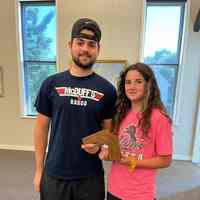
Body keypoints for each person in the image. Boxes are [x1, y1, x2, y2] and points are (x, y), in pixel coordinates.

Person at [33, 18, 117, 200]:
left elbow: (109, 130)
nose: (85, 49)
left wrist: (100, 146)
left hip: (90, 177)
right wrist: (39, 170)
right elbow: (41, 128)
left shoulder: (108, 90)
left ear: (98, 49)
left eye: (91, 44)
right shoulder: (51, 84)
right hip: (54, 173)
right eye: (80, 43)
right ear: (70, 45)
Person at [100, 63, 173, 200]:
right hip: (114, 189)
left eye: (138, 82)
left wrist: (133, 162)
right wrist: (106, 150)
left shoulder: (160, 119)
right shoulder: (120, 113)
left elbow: (165, 160)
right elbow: (114, 145)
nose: (132, 87)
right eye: (128, 82)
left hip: (140, 194)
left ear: (148, 85)